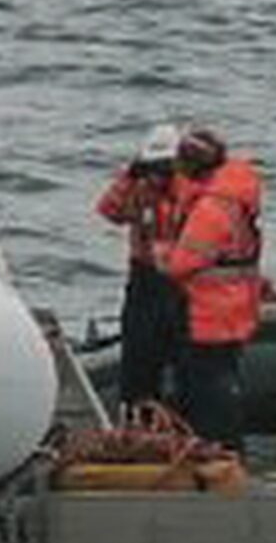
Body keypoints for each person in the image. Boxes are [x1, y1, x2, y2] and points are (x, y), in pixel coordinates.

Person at [155, 125, 266, 452]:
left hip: (209, 311)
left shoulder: (212, 209)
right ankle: (222, 447)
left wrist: (162, 256)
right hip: (235, 306)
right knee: (221, 380)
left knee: (208, 387)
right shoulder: (237, 196)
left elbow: (182, 264)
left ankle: (219, 450)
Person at [94, 124, 188, 410]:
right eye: (154, 166)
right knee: (138, 362)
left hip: (184, 283)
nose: (159, 174)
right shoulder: (139, 188)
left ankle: (181, 421)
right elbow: (109, 210)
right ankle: (138, 421)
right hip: (145, 282)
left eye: (166, 166)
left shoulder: (191, 190)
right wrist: (130, 175)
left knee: (185, 362)